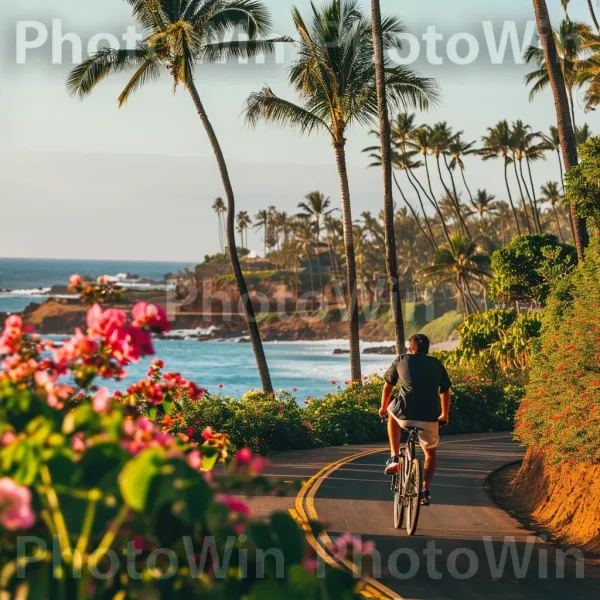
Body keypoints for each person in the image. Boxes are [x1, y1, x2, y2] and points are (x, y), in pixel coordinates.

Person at [378, 334, 451, 506]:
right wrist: (444, 415)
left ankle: (394, 457)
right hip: (430, 416)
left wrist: (382, 408)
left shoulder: (401, 359)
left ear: (411, 348)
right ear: (428, 349)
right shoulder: (437, 363)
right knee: (430, 454)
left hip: (404, 414)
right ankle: (425, 490)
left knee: (391, 413)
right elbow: (445, 391)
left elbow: (388, 387)